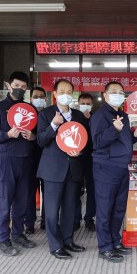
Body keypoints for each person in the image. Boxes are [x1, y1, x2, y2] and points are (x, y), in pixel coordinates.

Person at [0, 71, 37, 256]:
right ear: (8, 85)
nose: (20, 89)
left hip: (26, 160)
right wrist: (6, 135)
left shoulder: (30, 110)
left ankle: (18, 234)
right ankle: (4, 239)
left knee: (22, 201)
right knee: (4, 201)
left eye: (23, 87)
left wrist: (33, 136)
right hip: (5, 160)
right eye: (16, 85)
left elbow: (38, 133)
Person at [89, 81, 137, 263]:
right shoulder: (99, 116)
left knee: (119, 208)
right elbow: (97, 142)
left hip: (121, 167)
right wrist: (114, 130)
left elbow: (123, 142)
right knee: (105, 208)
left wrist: (135, 136)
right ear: (105, 95)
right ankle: (105, 247)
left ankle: (115, 241)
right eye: (113, 92)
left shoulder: (123, 116)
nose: (118, 94)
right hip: (105, 167)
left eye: (121, 92)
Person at [37, 79, 88, 260]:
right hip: (52, 170)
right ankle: (55, 245)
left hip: (73, 169)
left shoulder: (78, 116)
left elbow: (84, 141)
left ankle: (68, 241)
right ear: (56, 94)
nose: (66, 94)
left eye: (69, 91)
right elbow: (40, 141)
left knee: (69, 208)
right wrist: (53, 126)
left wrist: (80, 151)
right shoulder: (46, 114)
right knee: (51, 211)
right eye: (62, 91)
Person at [24, 86, 47, 234]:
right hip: (29, 159)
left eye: (41, 96)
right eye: (35, 96)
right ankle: (29, 222)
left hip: (46, 158)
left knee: (48, 191)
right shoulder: (26, 114)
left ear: (45, 99)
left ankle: (46, 220)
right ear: (31, 99)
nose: (38, 99)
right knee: (29, 191)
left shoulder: (49, 114)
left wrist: (36, 137)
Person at [74, 92, 96, 232]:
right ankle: (76, 219)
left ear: (92, 105)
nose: (85, 106)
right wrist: (82, 120)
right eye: (83, 103)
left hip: (92, 159)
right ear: (78, 103)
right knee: (75, 190)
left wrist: (88, 121)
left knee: (92, 191)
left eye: (88, 104)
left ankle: (89, 219)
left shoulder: (95, 118)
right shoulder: (74, 118)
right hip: (76, 159)